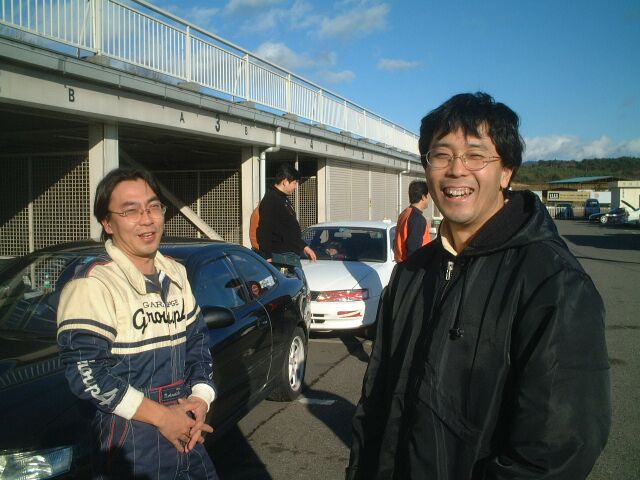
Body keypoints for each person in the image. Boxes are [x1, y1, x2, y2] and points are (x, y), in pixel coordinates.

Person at [346, 92, 610, 479]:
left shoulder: (554, 283)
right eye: (441, 155)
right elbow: (375, 403)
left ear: (506, 172)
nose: (456, 170)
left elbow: (555, 452)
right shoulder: (410, 274)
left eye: (475, 155)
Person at [57, 168, 218, 479]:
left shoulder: (176, 272)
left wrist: (200, 399)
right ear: (107, 223)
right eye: (130, 211)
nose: (147, 219)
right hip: (130, 438)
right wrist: (162, 417)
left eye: (153, 206)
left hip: (184, 422)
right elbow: (86, 373)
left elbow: (198, 343)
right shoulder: (93, 283)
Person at [256, 163, 317, 267]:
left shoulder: (283, 199)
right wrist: (267, 257)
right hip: (281, 256)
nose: (296, 186)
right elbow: (264, 231)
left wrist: (304, 247)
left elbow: (289, 230)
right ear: (285, 182)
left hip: (290, 255)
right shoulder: (271, 200)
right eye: (294, 183)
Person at [393, 180, 431, 262]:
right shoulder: (417, 219)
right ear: (423, 197)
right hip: (411, 266)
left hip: (401, 263)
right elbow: (414, 251)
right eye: (428, 196)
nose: (429, 199)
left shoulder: (405, 213)